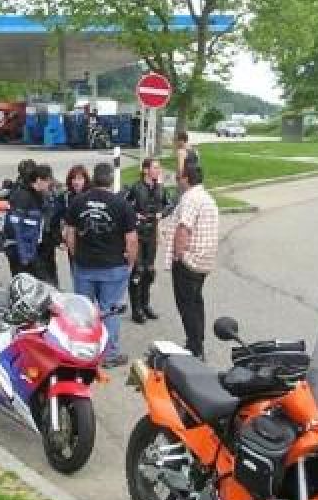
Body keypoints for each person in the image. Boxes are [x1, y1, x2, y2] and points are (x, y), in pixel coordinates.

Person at [64, 162, 138, 368]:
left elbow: (69, 234)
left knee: (83, 312)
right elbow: (131, 240)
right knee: (110, 311)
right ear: (111, 180)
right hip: (113, 267)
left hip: (84, 266)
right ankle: (109, 354)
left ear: (93, 178)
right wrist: (131, 262)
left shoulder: (78, 202)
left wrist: (76, 255)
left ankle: (82, 351)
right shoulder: (122, 204)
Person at [163, 164, 218, 361]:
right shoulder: (206, 197)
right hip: (204, 260)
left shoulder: (190, 199)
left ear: (186, 179)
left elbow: (183, 228)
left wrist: (178, 255)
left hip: (188, 261)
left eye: (178, 178)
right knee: (196, 302)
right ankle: (197, 341)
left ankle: (195, 347)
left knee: (186, 305)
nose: (177, 181)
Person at [125, 157, 172, 323]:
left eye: (159, 168)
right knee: (137, 271)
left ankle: (145, 305)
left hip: (152, 235)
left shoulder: (161, 188)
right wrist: (134, 215)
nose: (158, 171)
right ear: (145, 170)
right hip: (137, 234)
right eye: (155, 167)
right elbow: (124, 205)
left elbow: (170, 204)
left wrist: (162, 213)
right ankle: (136, 309)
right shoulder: (135, 188)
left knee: (149, 271)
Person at [5, 163, 52, 279]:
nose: (49, 184)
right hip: (20, 250)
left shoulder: (38, 196)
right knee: (25, 283)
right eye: (47, 181)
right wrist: (24, 256)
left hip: (31, 248)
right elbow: (15, 227)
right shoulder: (22, 196)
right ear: (39, 180)